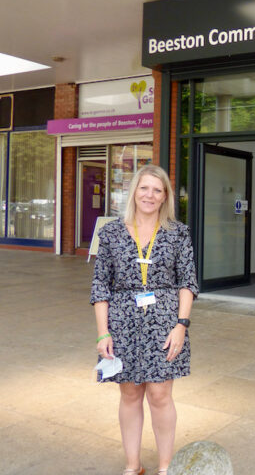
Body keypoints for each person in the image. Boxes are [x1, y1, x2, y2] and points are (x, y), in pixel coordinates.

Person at [92, 165, 198, 475]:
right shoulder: (110, 233)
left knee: (160, 394)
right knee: (130, 393)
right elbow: (100, 285)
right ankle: (133, 466)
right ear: (134, 192)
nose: (149, 195)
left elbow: (187, 282)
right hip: (122, 323)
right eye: (144, 188)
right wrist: (103, 333)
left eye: (157, 190)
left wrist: (181, 325)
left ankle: (165, 467)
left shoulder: (178, 234)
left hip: (165, 323)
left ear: (165, 196)